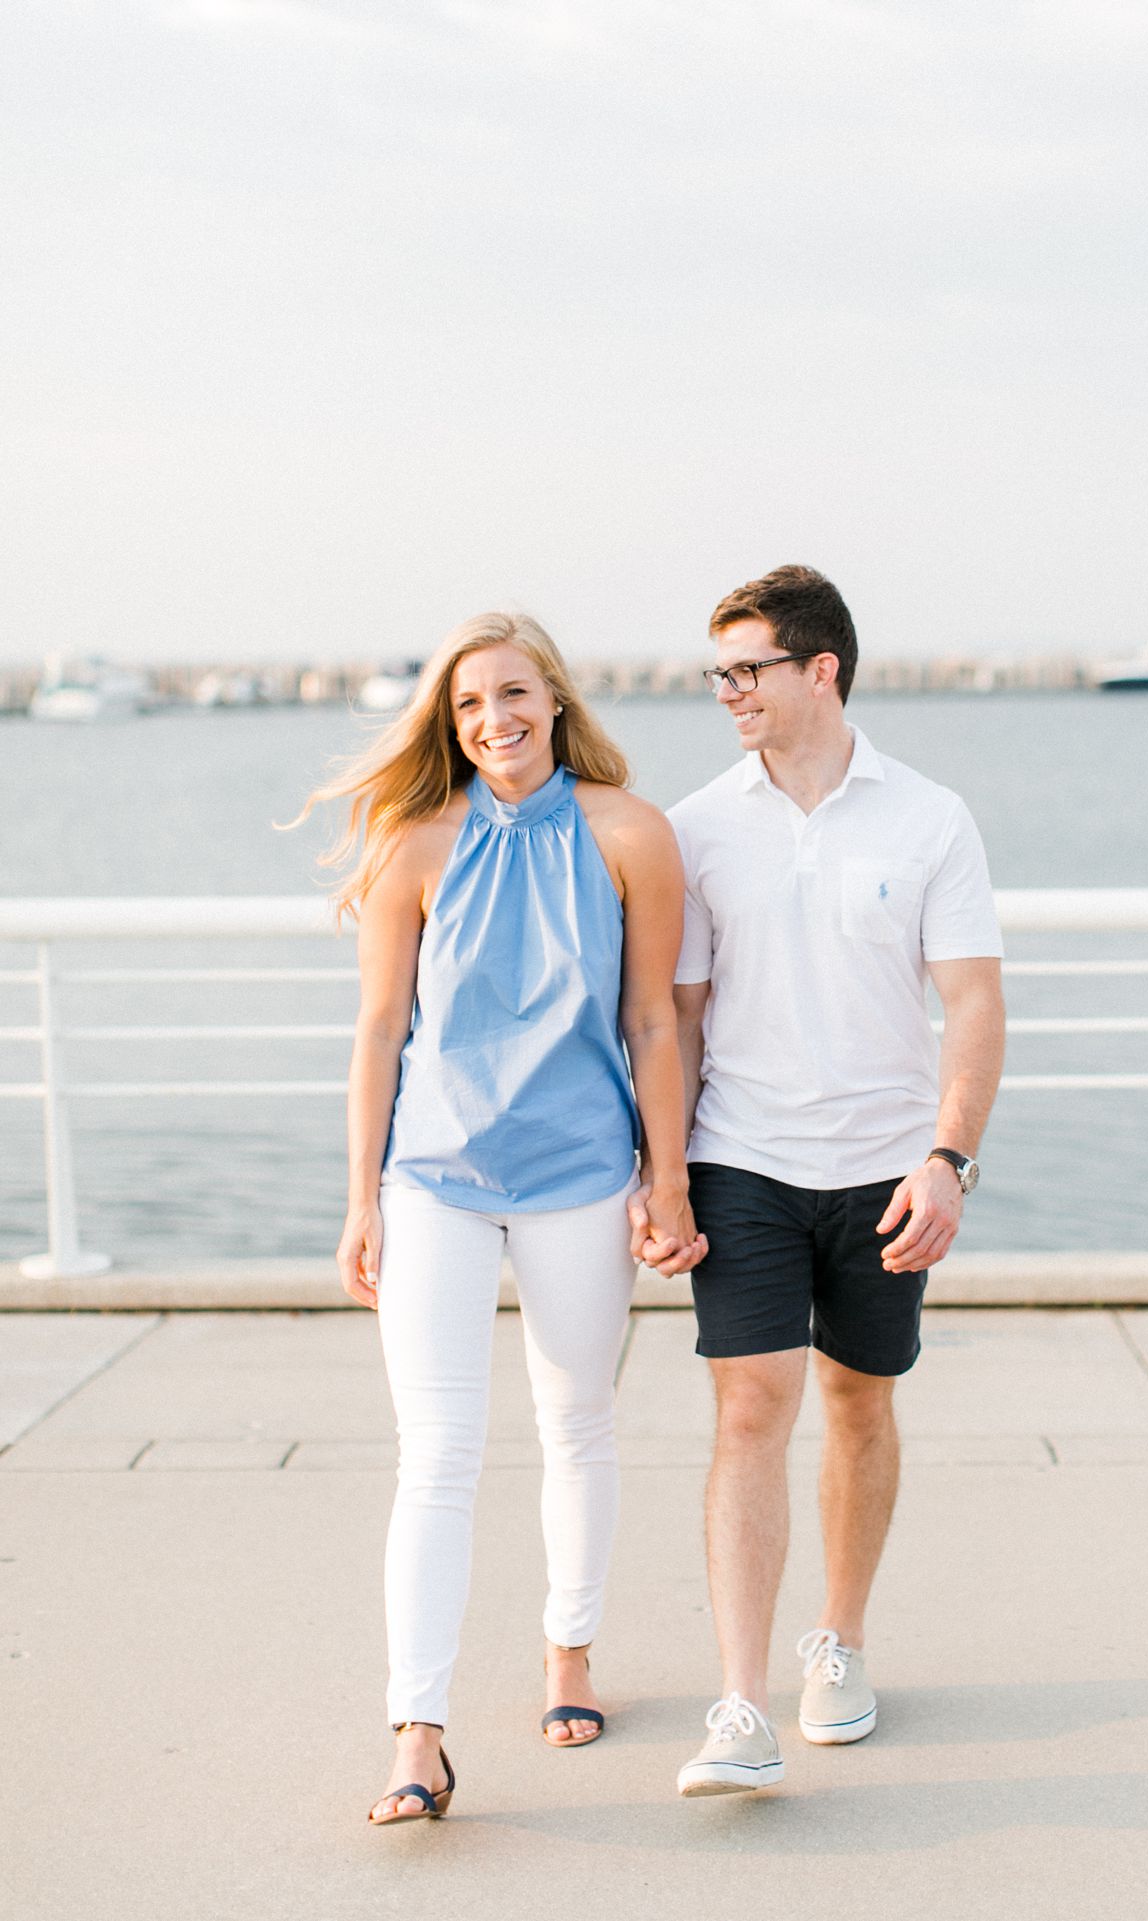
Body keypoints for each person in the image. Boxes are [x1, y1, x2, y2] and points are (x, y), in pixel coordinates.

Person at [303, 611, 706, 1826]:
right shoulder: (411, 845)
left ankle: (568, 1648)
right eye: (470, 705)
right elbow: (379, 1030)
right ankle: (416, 1733)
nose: (495, 721)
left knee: (576, 1418)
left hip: (583, 1175)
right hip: (432, 1180)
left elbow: (652, 1024)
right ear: (449, 722)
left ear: (556, 698)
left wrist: (667, 1177)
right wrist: (359, 1196)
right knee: (435, 1452)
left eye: (514, 694)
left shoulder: (631, 833)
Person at [629, 565, 1005, 1797]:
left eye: (747, 669)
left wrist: (947, 1160)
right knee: (749, 1408)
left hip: (886, 1170)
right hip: (743, 1156)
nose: (726, 691)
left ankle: (835, 1642)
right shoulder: (696, 826)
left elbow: (971, 1003)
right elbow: (672, 1021)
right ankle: (738, 1703)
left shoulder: (929, 818)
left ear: (820, 670)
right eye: (718, 672)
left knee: (858, 1400)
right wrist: (665, 1177)